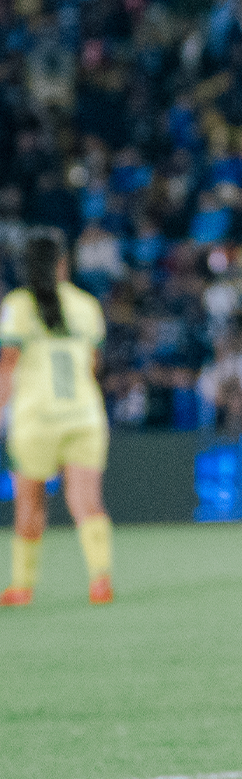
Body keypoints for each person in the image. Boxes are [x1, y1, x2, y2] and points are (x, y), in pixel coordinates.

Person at [0, 229, 115, 608]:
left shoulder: (18, 305)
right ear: (63, 263)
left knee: (29, 504)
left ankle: (21, 586)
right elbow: (93, 365)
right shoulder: (86, 305)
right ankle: (100, 580)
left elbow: (7, 366)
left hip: (35, 420)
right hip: (84, 416)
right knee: (87, 501)